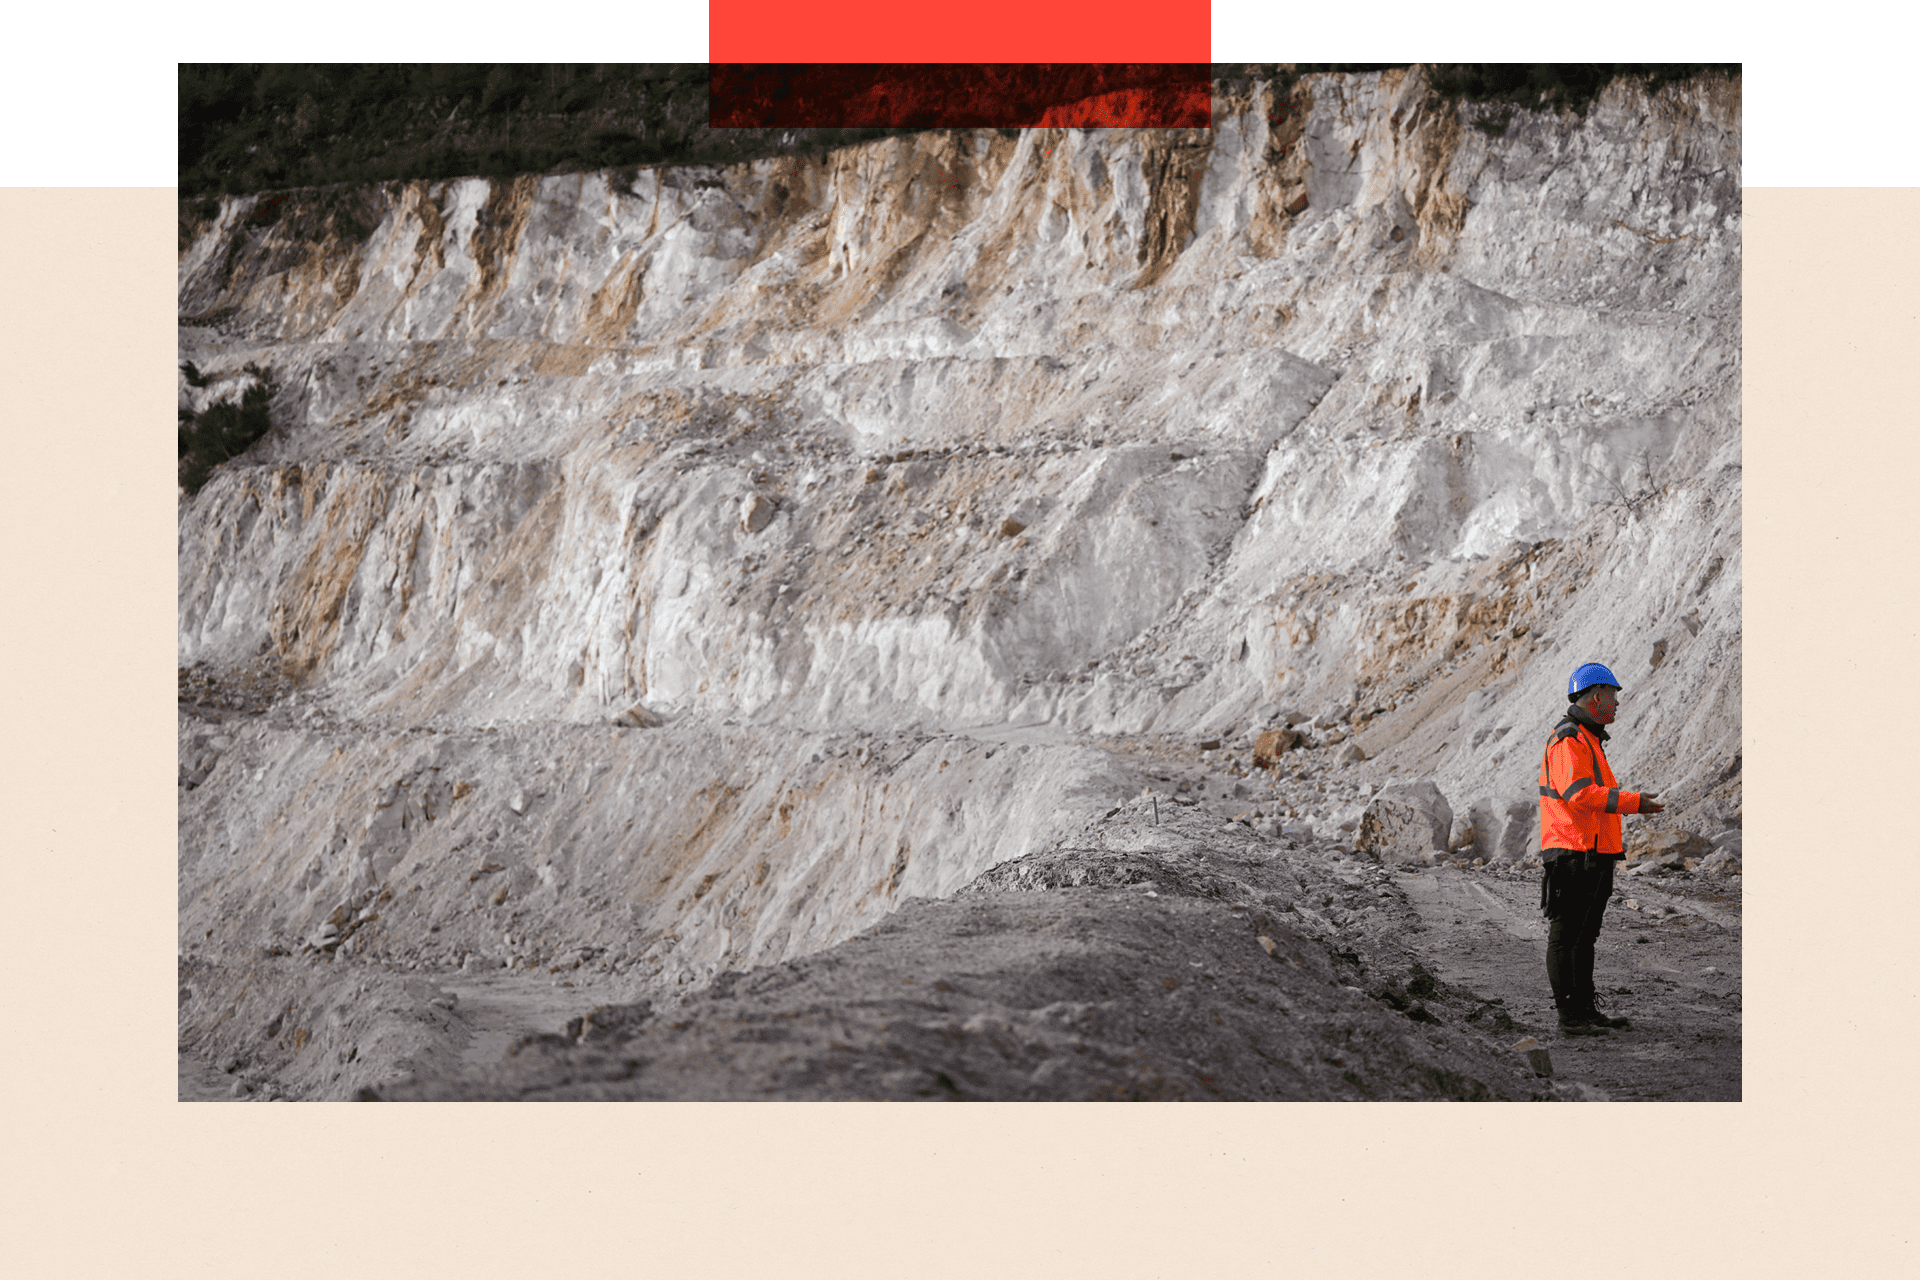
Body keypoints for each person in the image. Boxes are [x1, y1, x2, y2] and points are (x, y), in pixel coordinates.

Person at [1538, 662, 1665, 1036]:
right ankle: (1570, 1018)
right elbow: (1579, 795)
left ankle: (1585, 1012)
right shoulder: (1569, 739)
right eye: (1614, 696)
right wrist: (1633, 802)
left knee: (1584, 936)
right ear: (1597, 697)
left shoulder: (1588, 739)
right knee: (1566, 937)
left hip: (1592, 854)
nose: (1617, 704)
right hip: (1572, 854)